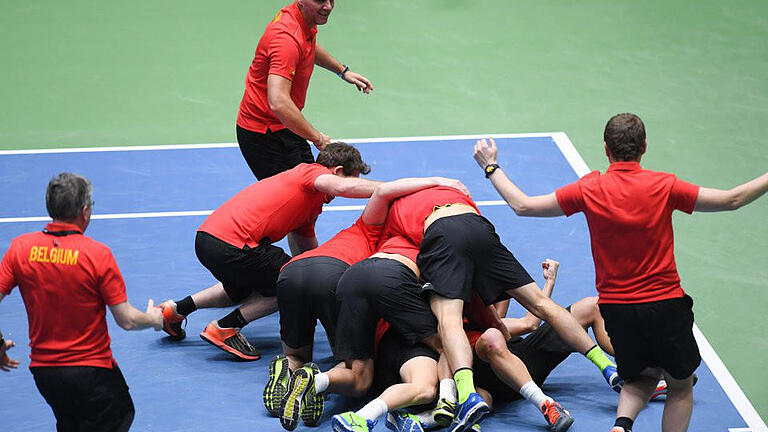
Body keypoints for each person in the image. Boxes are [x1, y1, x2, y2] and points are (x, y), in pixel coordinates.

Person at [471, 113, 768, 432]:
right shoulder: (664, 185)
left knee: (640, 378)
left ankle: (621, 425)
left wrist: (491, 166)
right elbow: (733, 199)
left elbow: (522, 205)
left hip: (617, 311)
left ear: (605, 148)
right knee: (681, 389)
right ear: (644, 147)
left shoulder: (590, 188)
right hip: (665, 305)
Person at [380, 186, 619, 432]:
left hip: (520, 366)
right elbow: (524, 320)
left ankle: (616, 369)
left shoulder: (458, 303)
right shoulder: (447, 328)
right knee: (497, 344)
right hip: (488, 373)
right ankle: (535, 402)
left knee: (588, 305)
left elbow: (528, 324)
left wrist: (549, 281)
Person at [263, 176, 468, 420]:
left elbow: (383, 191)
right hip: (336, 276)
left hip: (292, 271)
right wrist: (437, 182)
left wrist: (432, 182)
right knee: (357, 371)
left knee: (296, 355)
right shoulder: (411, 242)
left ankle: (292, 376)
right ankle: (318, 382)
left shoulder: (366, 226)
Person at [158, 142, 378, 360]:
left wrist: (327, 279)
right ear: (338, 172)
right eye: (355, 180)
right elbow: (340, 187)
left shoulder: (308, 205)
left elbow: (309, 256)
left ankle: (176, 310)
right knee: (292, 285)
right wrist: (385, 190)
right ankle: (226, 327)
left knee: (244, 289)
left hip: (208, 240)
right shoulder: (310, 172)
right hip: (234, 244)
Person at [0, 173, 164, 432]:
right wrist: (155, 319)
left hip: (45, 374)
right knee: (120, 414)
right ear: (85, 212)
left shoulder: (20, 249)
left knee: (71, 423)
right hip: (91, 372)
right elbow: (128, 320)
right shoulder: (97, 254)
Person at [236, 0, 374, 180]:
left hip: (285, 124)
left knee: (312, 190)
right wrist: (317, 138)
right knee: (296, 197)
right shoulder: (286, 39)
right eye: (319, 0)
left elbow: (306, 45)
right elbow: (278, 102)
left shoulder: (301, 18)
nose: (328, 7)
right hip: (265, 133)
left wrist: (342, 71)